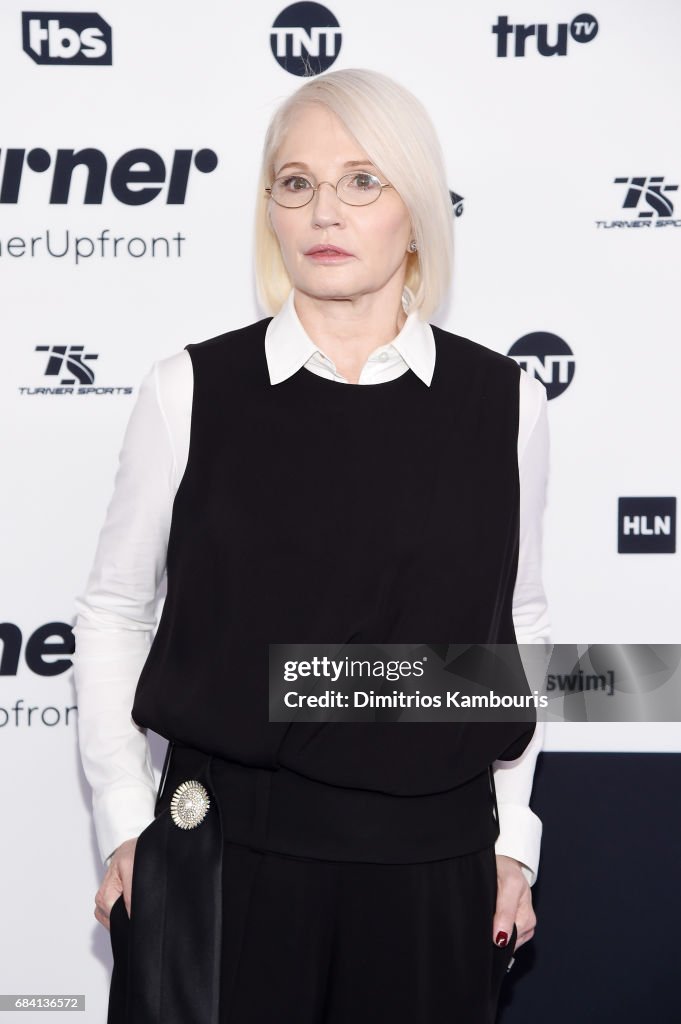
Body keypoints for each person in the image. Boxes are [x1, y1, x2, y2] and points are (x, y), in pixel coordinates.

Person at [73, 67, 550, 1024]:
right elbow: (115, 609)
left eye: (361, 181)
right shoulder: (188, 390)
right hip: (222, 856)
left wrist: (512, 839)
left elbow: (517, 622)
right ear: (271, 212)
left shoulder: (504, 402)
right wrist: (127, 822)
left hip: (431, 863)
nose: (324, 209)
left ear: (415, 211)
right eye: (296, 183)